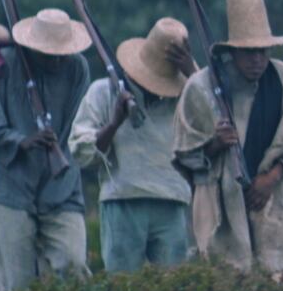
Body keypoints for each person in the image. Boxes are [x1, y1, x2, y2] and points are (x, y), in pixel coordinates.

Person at [174, 0, 283, 278]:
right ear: (233, 52)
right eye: (249, 52)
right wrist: (215, 144)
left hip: (267, 200)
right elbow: (184, 156)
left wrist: (271, 178)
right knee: (222, 280)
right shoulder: (201, 86)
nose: (257, 60)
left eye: (263, 51)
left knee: (272, 279)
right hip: (219, 205)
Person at [0, 7, 93, 291]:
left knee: (75, 266)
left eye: (61, 52)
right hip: (12, 188)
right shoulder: (1, 66)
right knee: (18, 287)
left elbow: (78, 125)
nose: (57, 59)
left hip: (63, 188)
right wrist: (22, 140)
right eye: (49, 53)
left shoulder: (78, 68)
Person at [70, 17, 196, 272]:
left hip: (172, 198)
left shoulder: (187, 96)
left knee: (175, 287)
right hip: (123, 199)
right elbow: (81, 152)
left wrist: (193, 75)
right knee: (122, 285)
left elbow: (213, 121)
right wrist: (114, 123)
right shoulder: (103, 92)